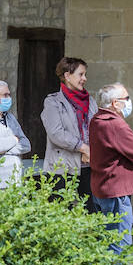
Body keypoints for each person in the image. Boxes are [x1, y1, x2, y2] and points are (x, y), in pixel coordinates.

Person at [88, 82, 133, 265]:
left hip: (102, 186)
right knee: (120, 238)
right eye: (126, 98)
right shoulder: (115, 124)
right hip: (115, 189)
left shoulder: (97, 120)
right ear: (115, 103)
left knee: (107, 236)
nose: (129, 102)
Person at [41, 56, 97, 204]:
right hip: (62, 169)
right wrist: (83, 147)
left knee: (92, 213)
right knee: (61, 213)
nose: (84, 78)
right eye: (80, 74)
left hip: (89, 166)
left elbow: (98, 128)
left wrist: (92, 150)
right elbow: (56, 133)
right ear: (67, 75)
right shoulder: (53, 102)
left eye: (85, 74)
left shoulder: (90, 101)